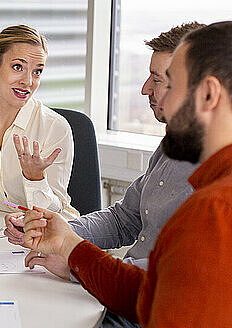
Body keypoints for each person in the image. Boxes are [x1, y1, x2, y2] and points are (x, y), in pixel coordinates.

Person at [22, 21, 232, 326]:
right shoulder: (197, 176)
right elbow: (152, 292)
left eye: (169, 84)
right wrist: (69, 246)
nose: (151, 93)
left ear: (209, 96)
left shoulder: (212, 210)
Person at [0, 25, 79, 220]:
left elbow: (55, 211)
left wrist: (35, 178)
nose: (28, 81)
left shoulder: (55, 128)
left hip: (46, 234)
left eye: (37, 72)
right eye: (18, 67)